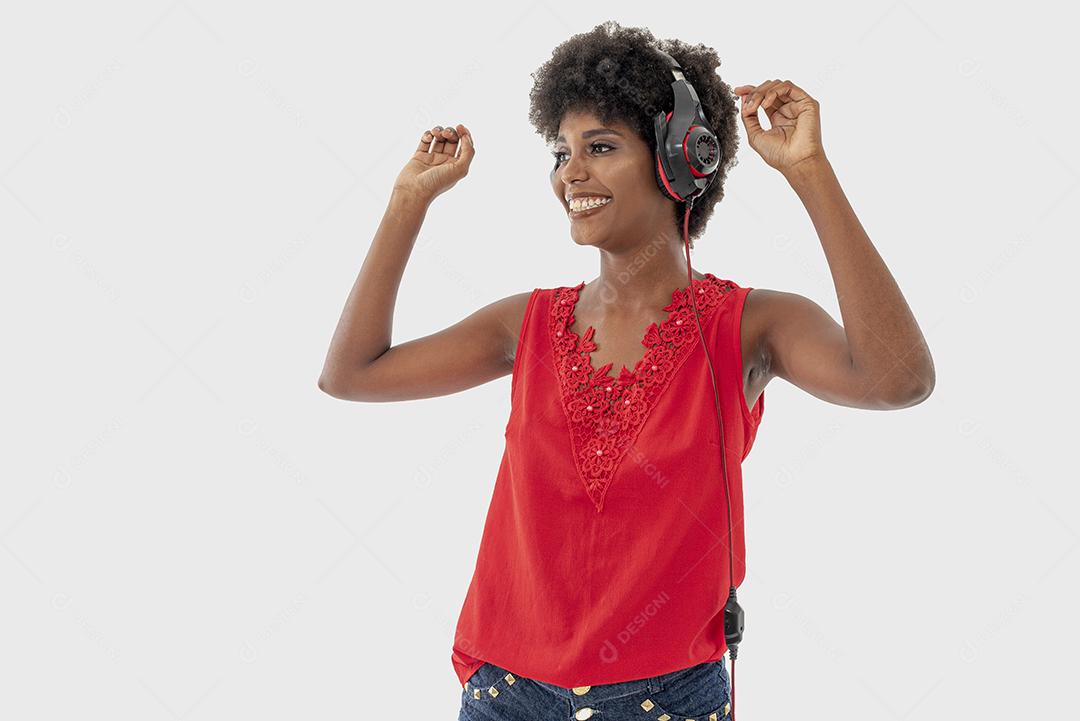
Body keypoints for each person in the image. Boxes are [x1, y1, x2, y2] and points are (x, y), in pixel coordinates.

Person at [318, 20, 935, 721]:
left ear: (681, 161)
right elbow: (352, 372)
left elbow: (898, 379)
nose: (570, 173)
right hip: (505, 694)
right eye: (561, 152)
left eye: (600, 147)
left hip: (665, 701)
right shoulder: (526, 323)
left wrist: (809, 172)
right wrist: (408, 202)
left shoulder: (754, 326)